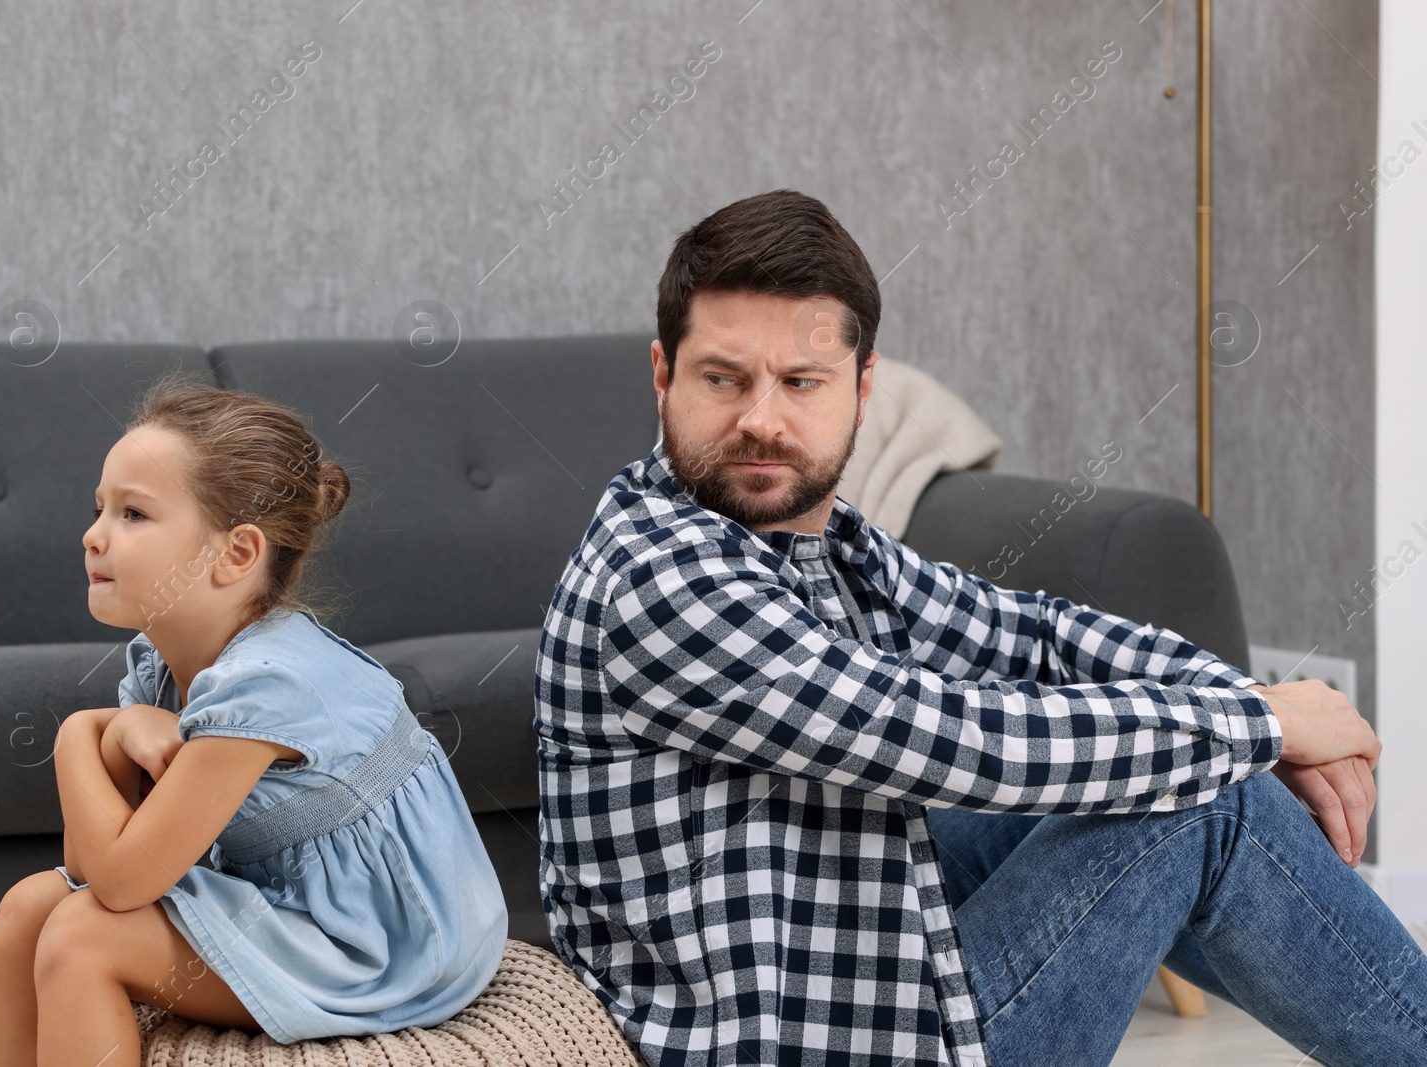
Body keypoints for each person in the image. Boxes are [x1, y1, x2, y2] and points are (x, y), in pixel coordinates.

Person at [533, 188, 1427, 1067]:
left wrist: (1252, 699)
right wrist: (1267, 726)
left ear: (861, 388)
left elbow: (1029, 636)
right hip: (807, 1043)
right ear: (663, 376)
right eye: (723, 378)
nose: (761, 419)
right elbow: (961, 738)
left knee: (1179, 763)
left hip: (870, 989)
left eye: (801, 382)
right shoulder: (661, 577)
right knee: (1206, 799)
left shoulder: (818, 545)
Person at [0, 372, 508, 1065]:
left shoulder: (270, 685)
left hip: (388, 940)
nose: (93, 535)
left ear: (238, 554)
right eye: (99, 508)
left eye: (132, 514)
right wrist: (120, 727)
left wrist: (81, 732)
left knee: (80, 937)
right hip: (286, 898)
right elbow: (86, 861)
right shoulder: (162, 660)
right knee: (26, 908)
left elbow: (122, 883)